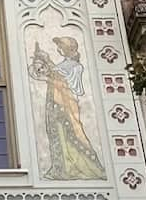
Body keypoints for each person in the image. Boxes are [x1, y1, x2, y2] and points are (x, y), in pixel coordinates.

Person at [29, 37, 104, 180]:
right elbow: (52, 74)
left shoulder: (75, 66)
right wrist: (43, 63)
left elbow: (65, 84)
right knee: (57, 134)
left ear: (69, 49)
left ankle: (83, 167)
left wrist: (46, 64)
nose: (59, 49)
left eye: (61, 46)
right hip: (55, 103)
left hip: (65, 105)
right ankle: (61, 167)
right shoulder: (64, 64)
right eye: (58, 46)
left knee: (72, 134)